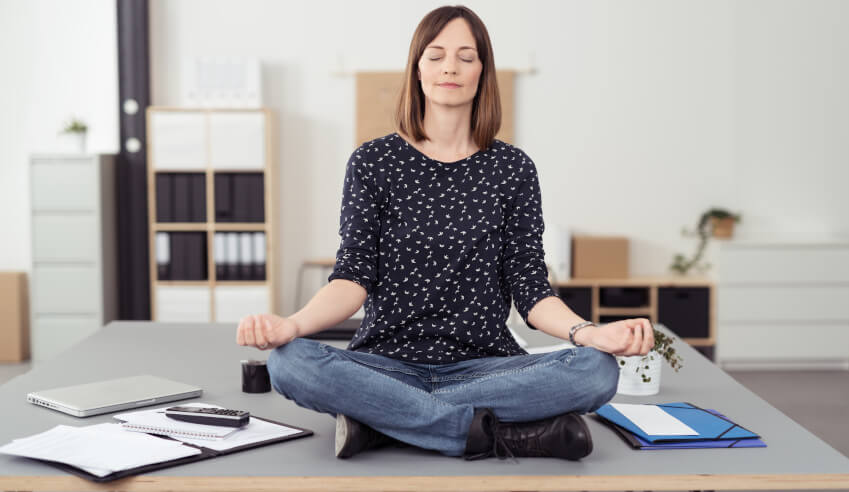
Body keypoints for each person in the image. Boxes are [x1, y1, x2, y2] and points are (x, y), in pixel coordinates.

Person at [236, 5, 654, 461]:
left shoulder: (512, 169)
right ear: (417, 70)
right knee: (290, 363)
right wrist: (290, 326)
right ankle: (492, 435)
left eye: (465, 56)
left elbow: (531, 291)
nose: (449, 67)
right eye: (435, 55)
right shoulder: (374, 162)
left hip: (487, 370)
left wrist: (589, 333)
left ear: (482, 72)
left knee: (596, 371)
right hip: (384, 366)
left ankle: (384, 425)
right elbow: (351, 278)